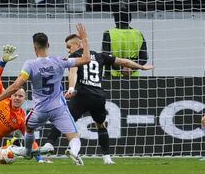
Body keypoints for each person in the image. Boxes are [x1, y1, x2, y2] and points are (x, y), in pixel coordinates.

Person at [0, 23, 91, 166]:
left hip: (40, 110)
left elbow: (15, 87)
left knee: (29, 128)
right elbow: (86, 59)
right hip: (59, 108)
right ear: (48, 45)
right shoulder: (60, 61)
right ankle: (74, 153)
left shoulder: (30, 65)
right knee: (74, 137)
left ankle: (26, 150)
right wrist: (85, 39)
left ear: (34, 48)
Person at [47, 34, 154, 165]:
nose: (69, 50)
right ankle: (107, 158)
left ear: (79, 45)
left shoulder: (74, 57)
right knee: (101, 126)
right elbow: (124, 62)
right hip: (98, 97)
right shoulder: (101, 56)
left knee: (62, 119)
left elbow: (73, 72)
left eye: (69, 47)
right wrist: (141, 67)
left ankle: (49, 144)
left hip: (81, 95)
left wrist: (70, 88)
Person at [102, 6, 148, 77]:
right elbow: (144, 58)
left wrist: (121, 69)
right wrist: (131, 68)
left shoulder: (108, 33)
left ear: (115, 19)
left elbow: (106, 57)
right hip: (133, 76)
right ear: (130, 19)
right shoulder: (138, 34)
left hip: (113, 76)